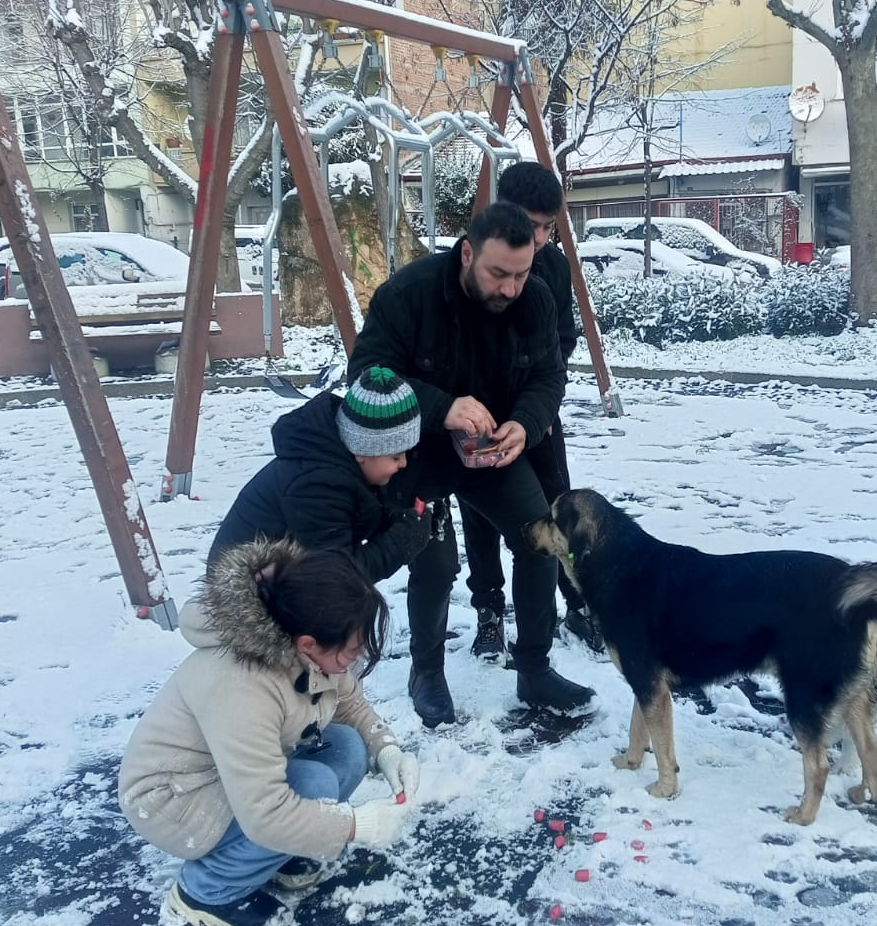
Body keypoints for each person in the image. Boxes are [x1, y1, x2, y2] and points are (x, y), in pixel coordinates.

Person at [348, 199, 596, 728]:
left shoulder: (534, 299)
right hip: (416, 451)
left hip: (492, 448)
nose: (510, 288)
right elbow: (367, 375)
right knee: (434, 562)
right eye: (498, 274)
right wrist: (441, 407)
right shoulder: (408, 295)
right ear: (467, 254)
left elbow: (549, 377)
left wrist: (526, 423)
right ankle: (426, 672)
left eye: (521, 275)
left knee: (541, 538)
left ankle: (534, 668)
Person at [118, 542, 419, 926]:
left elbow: (347, 702)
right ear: (308, 644)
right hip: (174, 797)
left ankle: (275, 855)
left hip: (230, 776)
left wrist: (387, 750)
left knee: (347, 747)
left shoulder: (301, 632)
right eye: (351, 650)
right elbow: (266, 812)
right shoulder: (241, 686)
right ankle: (204, 892)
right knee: (313, 787)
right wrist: (356, 826)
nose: (359, 654)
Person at [458, 162, 603, 661]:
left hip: (537, 414)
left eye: (548, 226)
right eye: (530, 223)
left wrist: (535, 404)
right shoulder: (473, 258)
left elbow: (563, 339)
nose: (538, 237)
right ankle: (489, 611)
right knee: (480, 515)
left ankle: (576, 603)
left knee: (557, 505)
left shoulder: (555, 266)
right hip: (476, 416)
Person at [208, 365, 433, 582]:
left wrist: (400, 519)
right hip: (249, 591)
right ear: (363, 450)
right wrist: (401, 543)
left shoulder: (341, 461)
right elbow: (338, 576)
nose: (404, 463)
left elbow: (359, 514)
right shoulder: (318, 485)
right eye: (395, 456)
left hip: (292, 576)